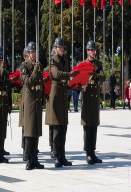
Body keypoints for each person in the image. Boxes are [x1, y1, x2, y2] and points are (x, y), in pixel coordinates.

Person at [46, 37, 79, 168]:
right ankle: (56, 155)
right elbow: (56, 74)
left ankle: (62, 155)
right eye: (60, 47)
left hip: (63, 94)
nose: (62, 49)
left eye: (63, 47)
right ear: (55, 48)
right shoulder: (53, 61)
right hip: (55, 94)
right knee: (56, 127)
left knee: (63, 126)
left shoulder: (65, 60)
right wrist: (70, 74)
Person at [20, 42, 44, 170]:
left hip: (37, 100)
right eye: (32, 52)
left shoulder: (37, 65)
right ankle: (29, 159)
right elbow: (28, 82)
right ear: (28, 54)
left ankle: (35, 159)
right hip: (29, 101)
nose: (34, 54)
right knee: (29, 132)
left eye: (35, 52)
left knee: (36, 131)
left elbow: (40, 82)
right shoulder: (24, 66)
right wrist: (35, 70)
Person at [80, 40, 105, 165]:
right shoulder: (83, 64)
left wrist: (96, 74)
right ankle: (88, 153)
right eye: (90, 50)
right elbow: (79, 79)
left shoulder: (98, 64)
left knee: (94, 126)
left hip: (95, 99)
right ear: (87, 51)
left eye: (94, 50)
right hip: (87, 97)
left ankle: (93, 152)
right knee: (87, 127)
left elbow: (103, 77)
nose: (92, 52)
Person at [44, 47, 56, 158]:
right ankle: (52, 146)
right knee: (51, 125)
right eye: (52, 56)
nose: (53, 58)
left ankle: (56, 147)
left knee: (56, 125)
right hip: (49, 99)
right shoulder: (46, 70)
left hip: (56, 99)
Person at [19, 46, 29, 161]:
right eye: (26, 56)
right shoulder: (23, 66)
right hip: (25, 98)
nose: (27, 57)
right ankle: (24, 149)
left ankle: (30, 148)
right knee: (25, 126)